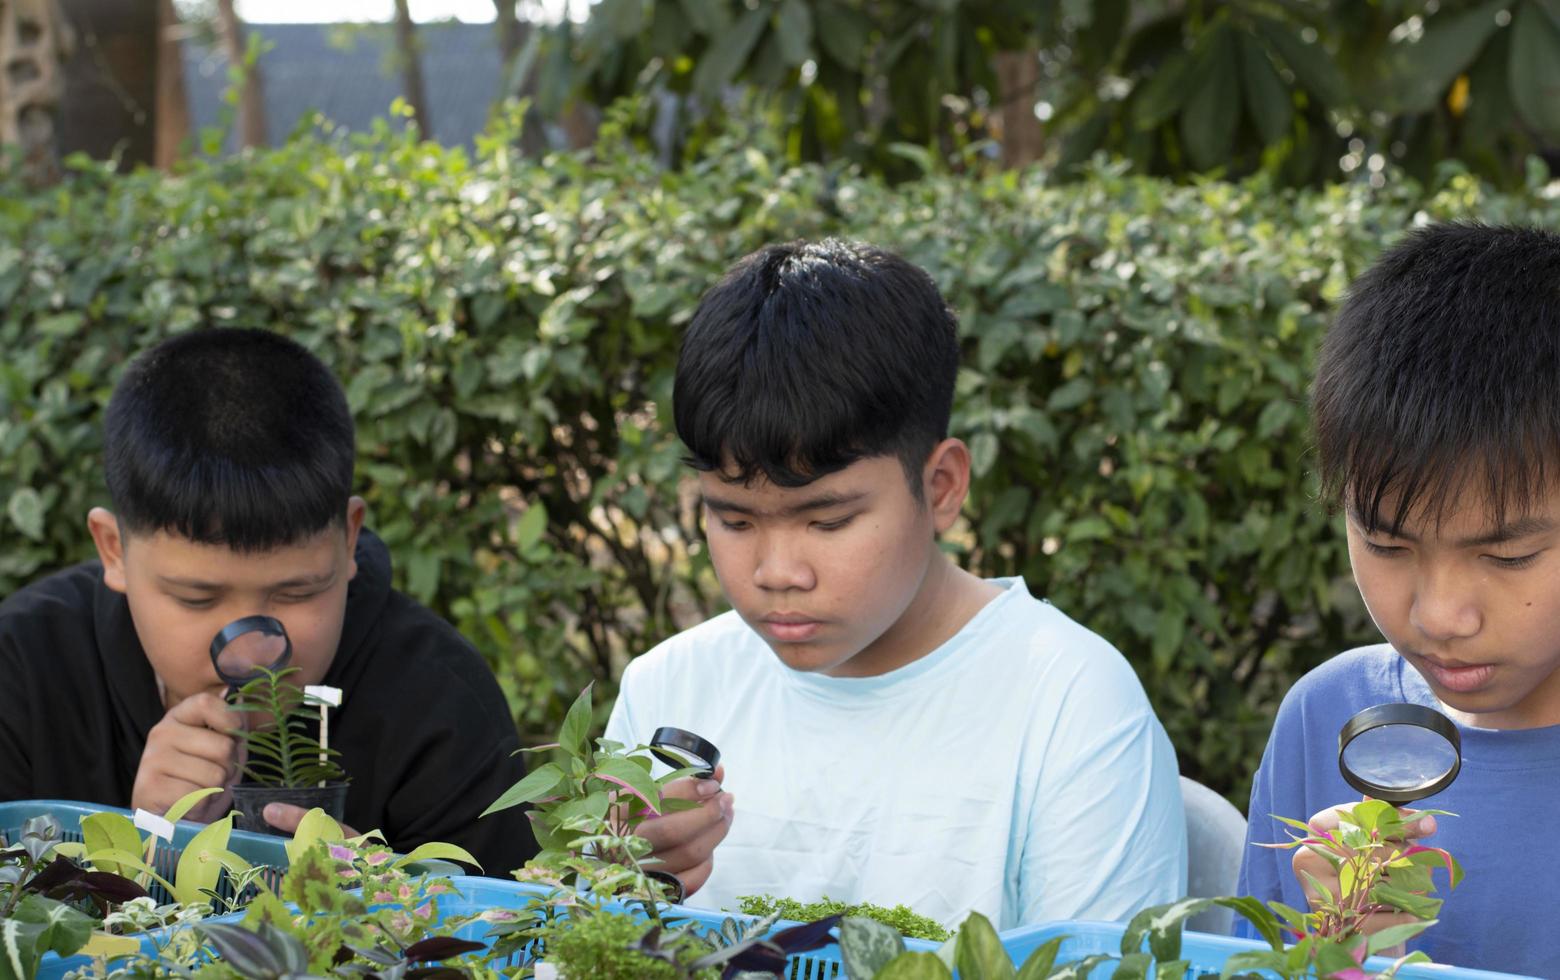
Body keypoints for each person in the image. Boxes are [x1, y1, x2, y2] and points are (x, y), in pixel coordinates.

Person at [606, 239, 1186, 929]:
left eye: (827, 521)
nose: (776, 573)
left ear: (940, 487)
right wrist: (612, 887)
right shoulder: (670, 691)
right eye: (734, 519)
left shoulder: (1070, 706)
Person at [0, 328, 541, 873]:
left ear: (349, 539)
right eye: (196, 597)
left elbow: (509, 937)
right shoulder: (23, 671)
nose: (254, 650)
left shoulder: (440, 703)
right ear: (114, 550)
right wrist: (137, 852)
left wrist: (389, 902)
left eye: (297, 591)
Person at [1236, 224, 1560, 976]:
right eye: (1386, 545)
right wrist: (1336, 953)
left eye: (1508, 555)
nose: (1440, 616)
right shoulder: (1325, 716)